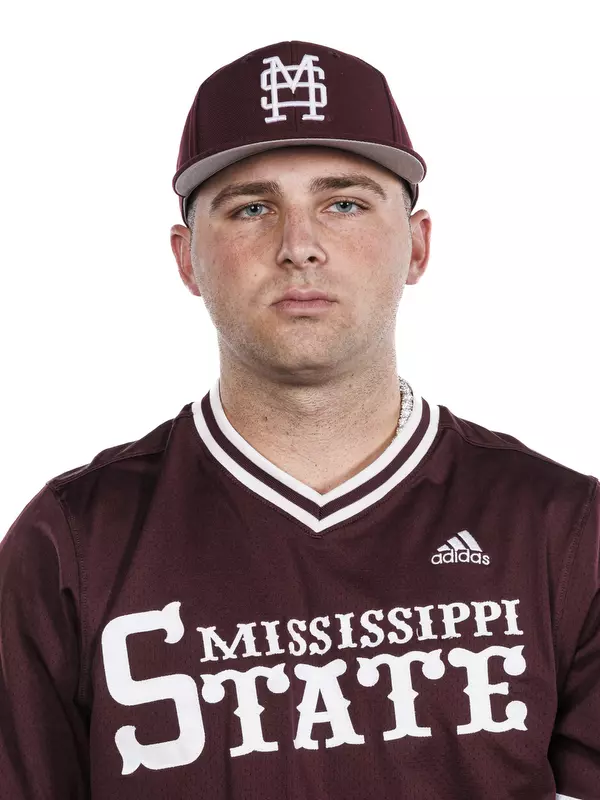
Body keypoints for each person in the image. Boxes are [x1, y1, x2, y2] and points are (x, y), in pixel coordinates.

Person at [0, 39, 598, 800]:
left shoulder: (560, 527)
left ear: (416, 245)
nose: (299, 247)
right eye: (253, 208)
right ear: (187, 260)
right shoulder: (70, 545)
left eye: (343, 203)